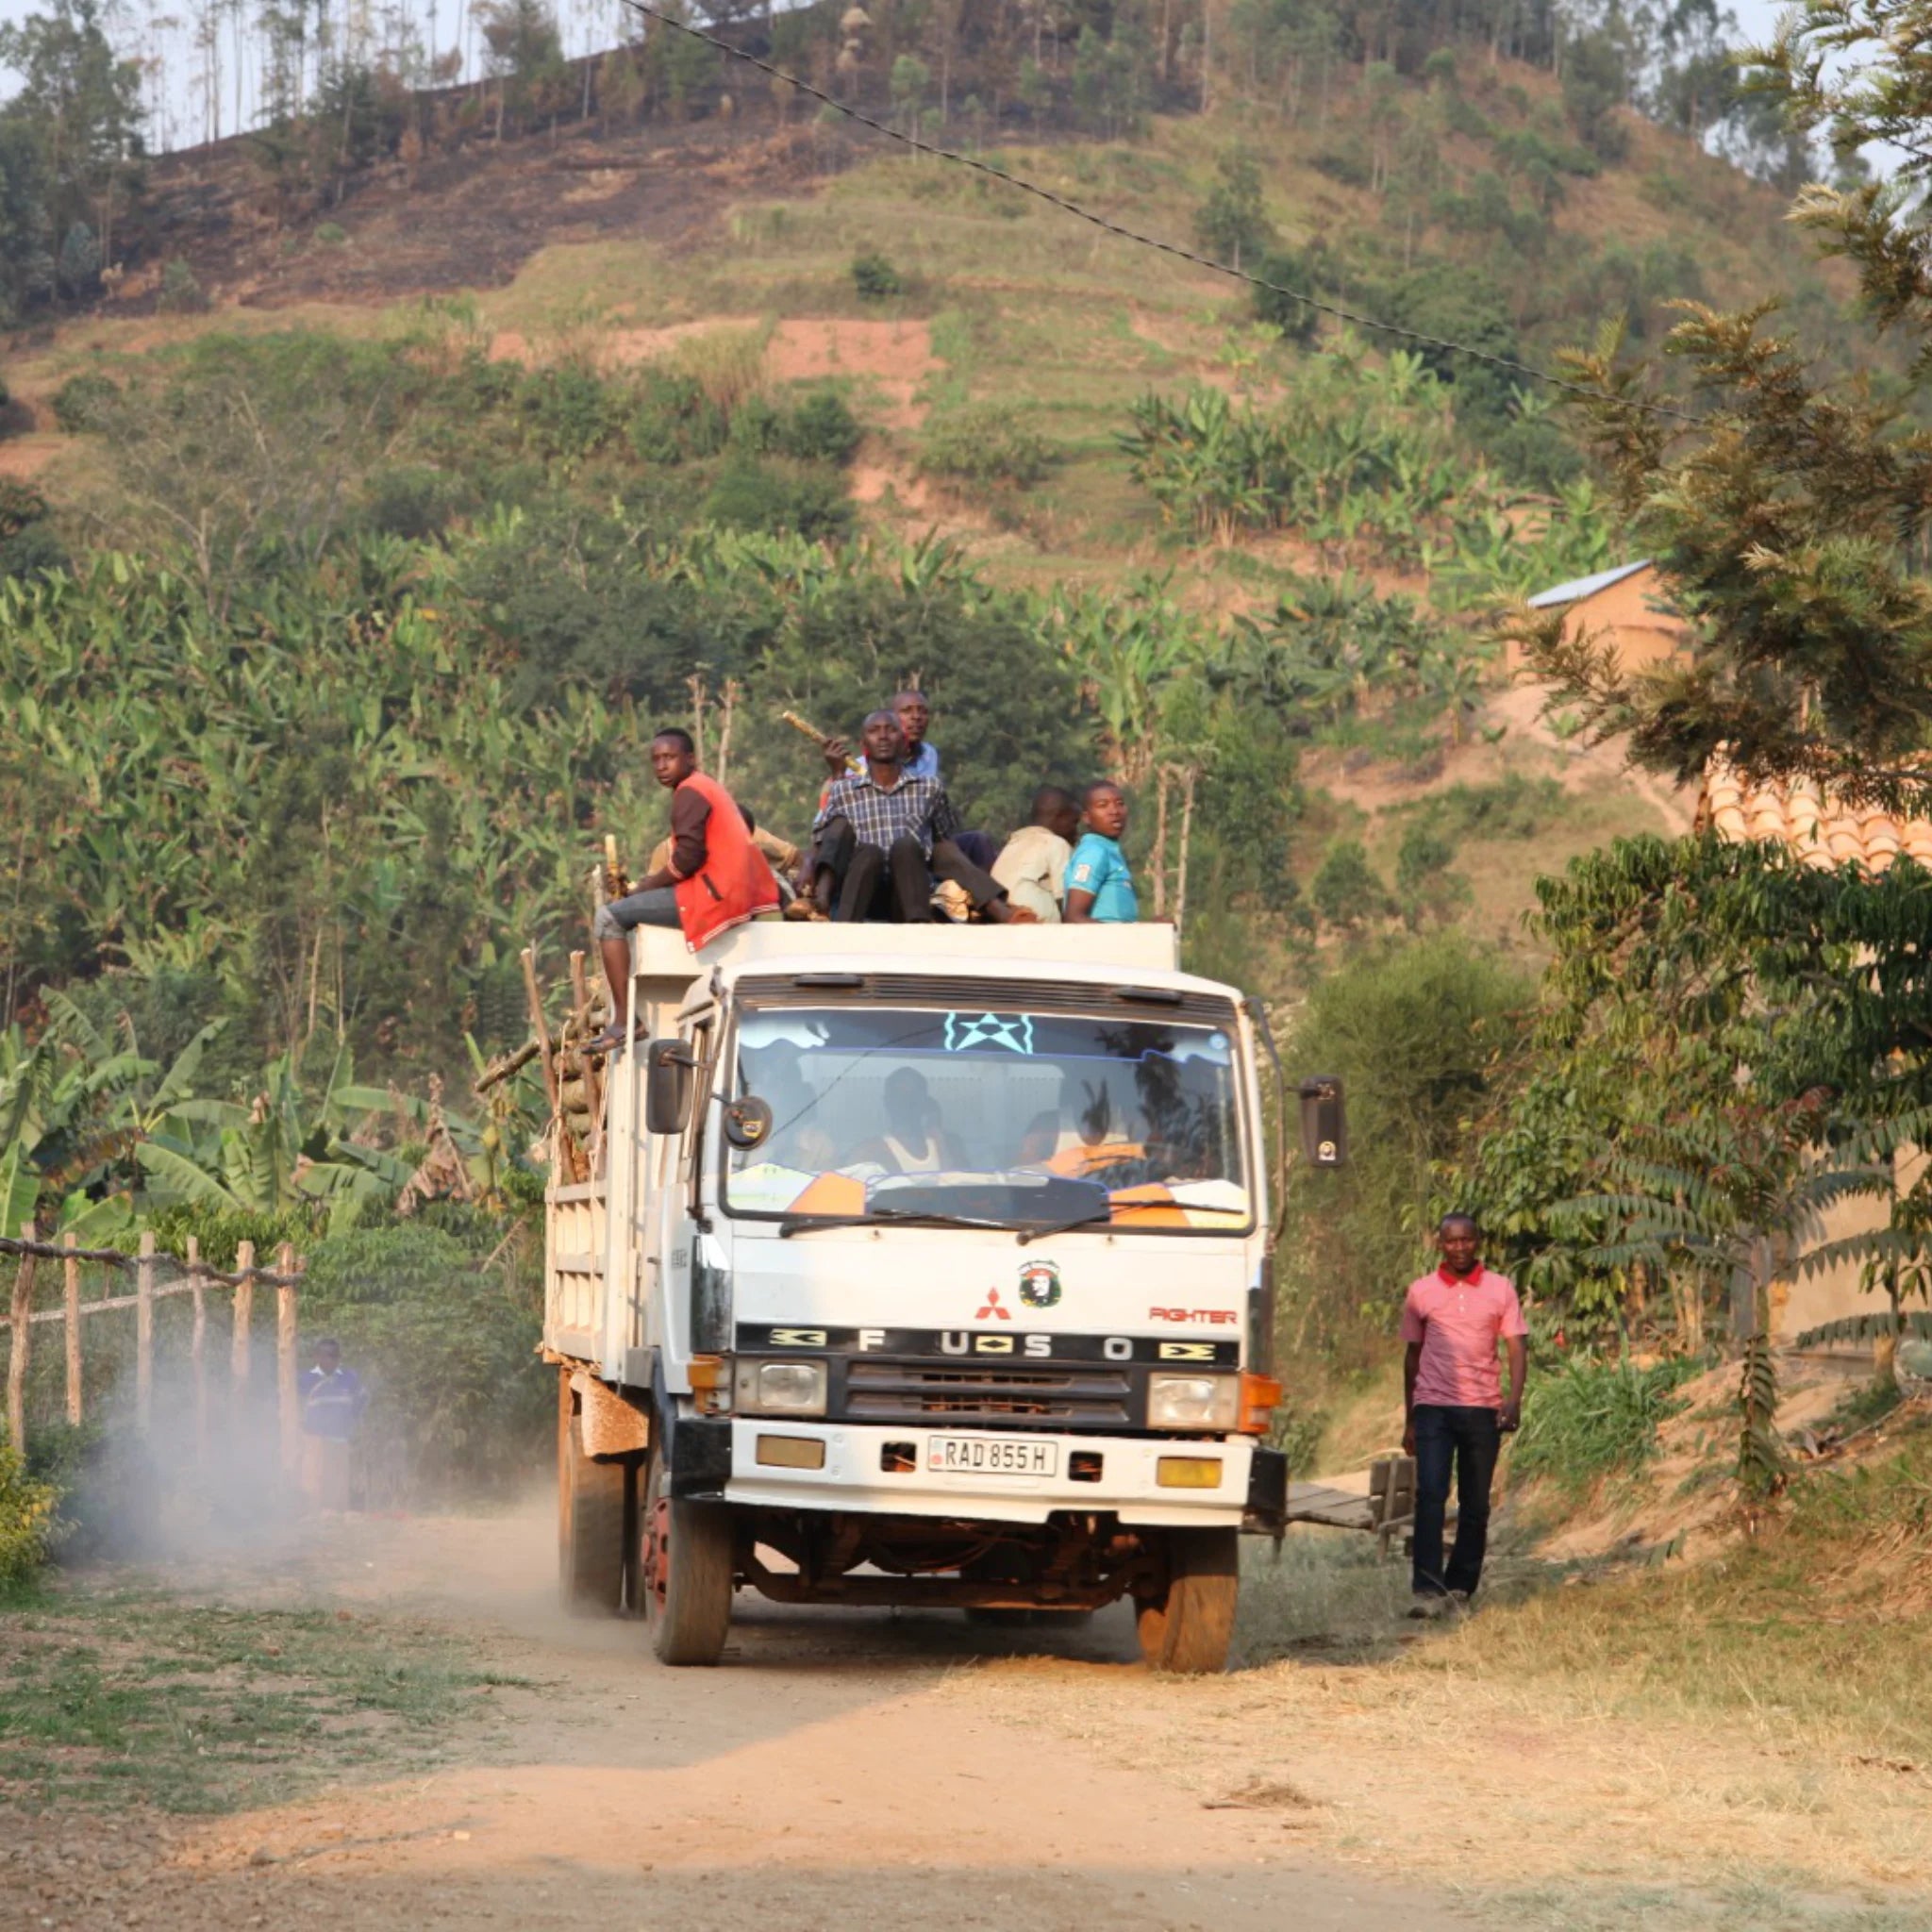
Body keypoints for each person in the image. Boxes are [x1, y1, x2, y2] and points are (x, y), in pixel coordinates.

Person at [593, 729, 780, 1047]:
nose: (661, 766)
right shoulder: (705, 787)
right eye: (656, 760)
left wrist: (644, 887)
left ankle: (625, 1021)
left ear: (690, 759)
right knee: (629, 907)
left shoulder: (690, 792)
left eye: (669, 757)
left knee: (607, 918)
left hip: (714, 894)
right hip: (728, 889)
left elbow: (687, 859)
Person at [1400, 1213, 1528, 1615]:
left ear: (1477, 1242)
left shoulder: (1500, 1289)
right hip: (1433, 1408)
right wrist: (1410, 1418)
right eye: (1451, 1241)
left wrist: (1514, 1399)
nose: (1459, 1248)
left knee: (1475, 1503)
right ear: (1440, 1243)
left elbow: (1516, 1347)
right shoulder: (1420, 1292)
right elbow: (1412, 1356)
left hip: (1482, 1408)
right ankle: (1427, 1589)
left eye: (1466, 1240)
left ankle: (1460, 1587)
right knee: (1431, 1496)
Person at [808, 711, 1033, 925]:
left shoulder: (928, 788)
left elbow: (944, 841)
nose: (883, 736)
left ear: (904, 742)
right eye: (875, 731)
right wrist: (809, 874)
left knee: (911, 845)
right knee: (869, 852)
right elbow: (824, 839)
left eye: (891, 730)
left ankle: (926, 923)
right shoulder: (844, 790)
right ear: (863, 745)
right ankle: (840, 923)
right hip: (864, 886)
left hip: (908, 887)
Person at [992, 786, 1081, 923]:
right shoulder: (1057, 844)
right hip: (1036, 925)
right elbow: (1065, 903)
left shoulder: (1012, 844)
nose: (1076, 832)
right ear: (1060, 817)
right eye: (1074, 822)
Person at [299, 1339, 366, 1514]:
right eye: (325, 1356)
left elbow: (361, 1398)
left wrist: (351, 1419)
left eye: (334, 1356)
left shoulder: (349, 1377)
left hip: (341, 1435)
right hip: (315, 1437)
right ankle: (318, 1509)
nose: (329, 1360)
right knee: (318, 1473)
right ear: (316, 1357)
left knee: (340, 1473)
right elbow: (295, 1405)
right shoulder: (306, 1379)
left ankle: (340, 1509)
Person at [850, 1067, 960, 1173]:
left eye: (913, 1099)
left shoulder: (949, 1145)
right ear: (887, 1103)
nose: (906, 1106)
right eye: (900, 1099)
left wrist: (938, 1134)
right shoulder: (868, 1152)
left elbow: (965, 1184)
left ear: (926, 1103)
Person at [1063, 781, 1138, 924]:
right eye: (1103, 805)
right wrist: (1115, 941)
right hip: (1101, 944)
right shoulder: (1093, 852)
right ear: (1086, 817)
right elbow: (1074, 917)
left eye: (1119, 803)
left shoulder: (1110, 851)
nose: (1114, 811)